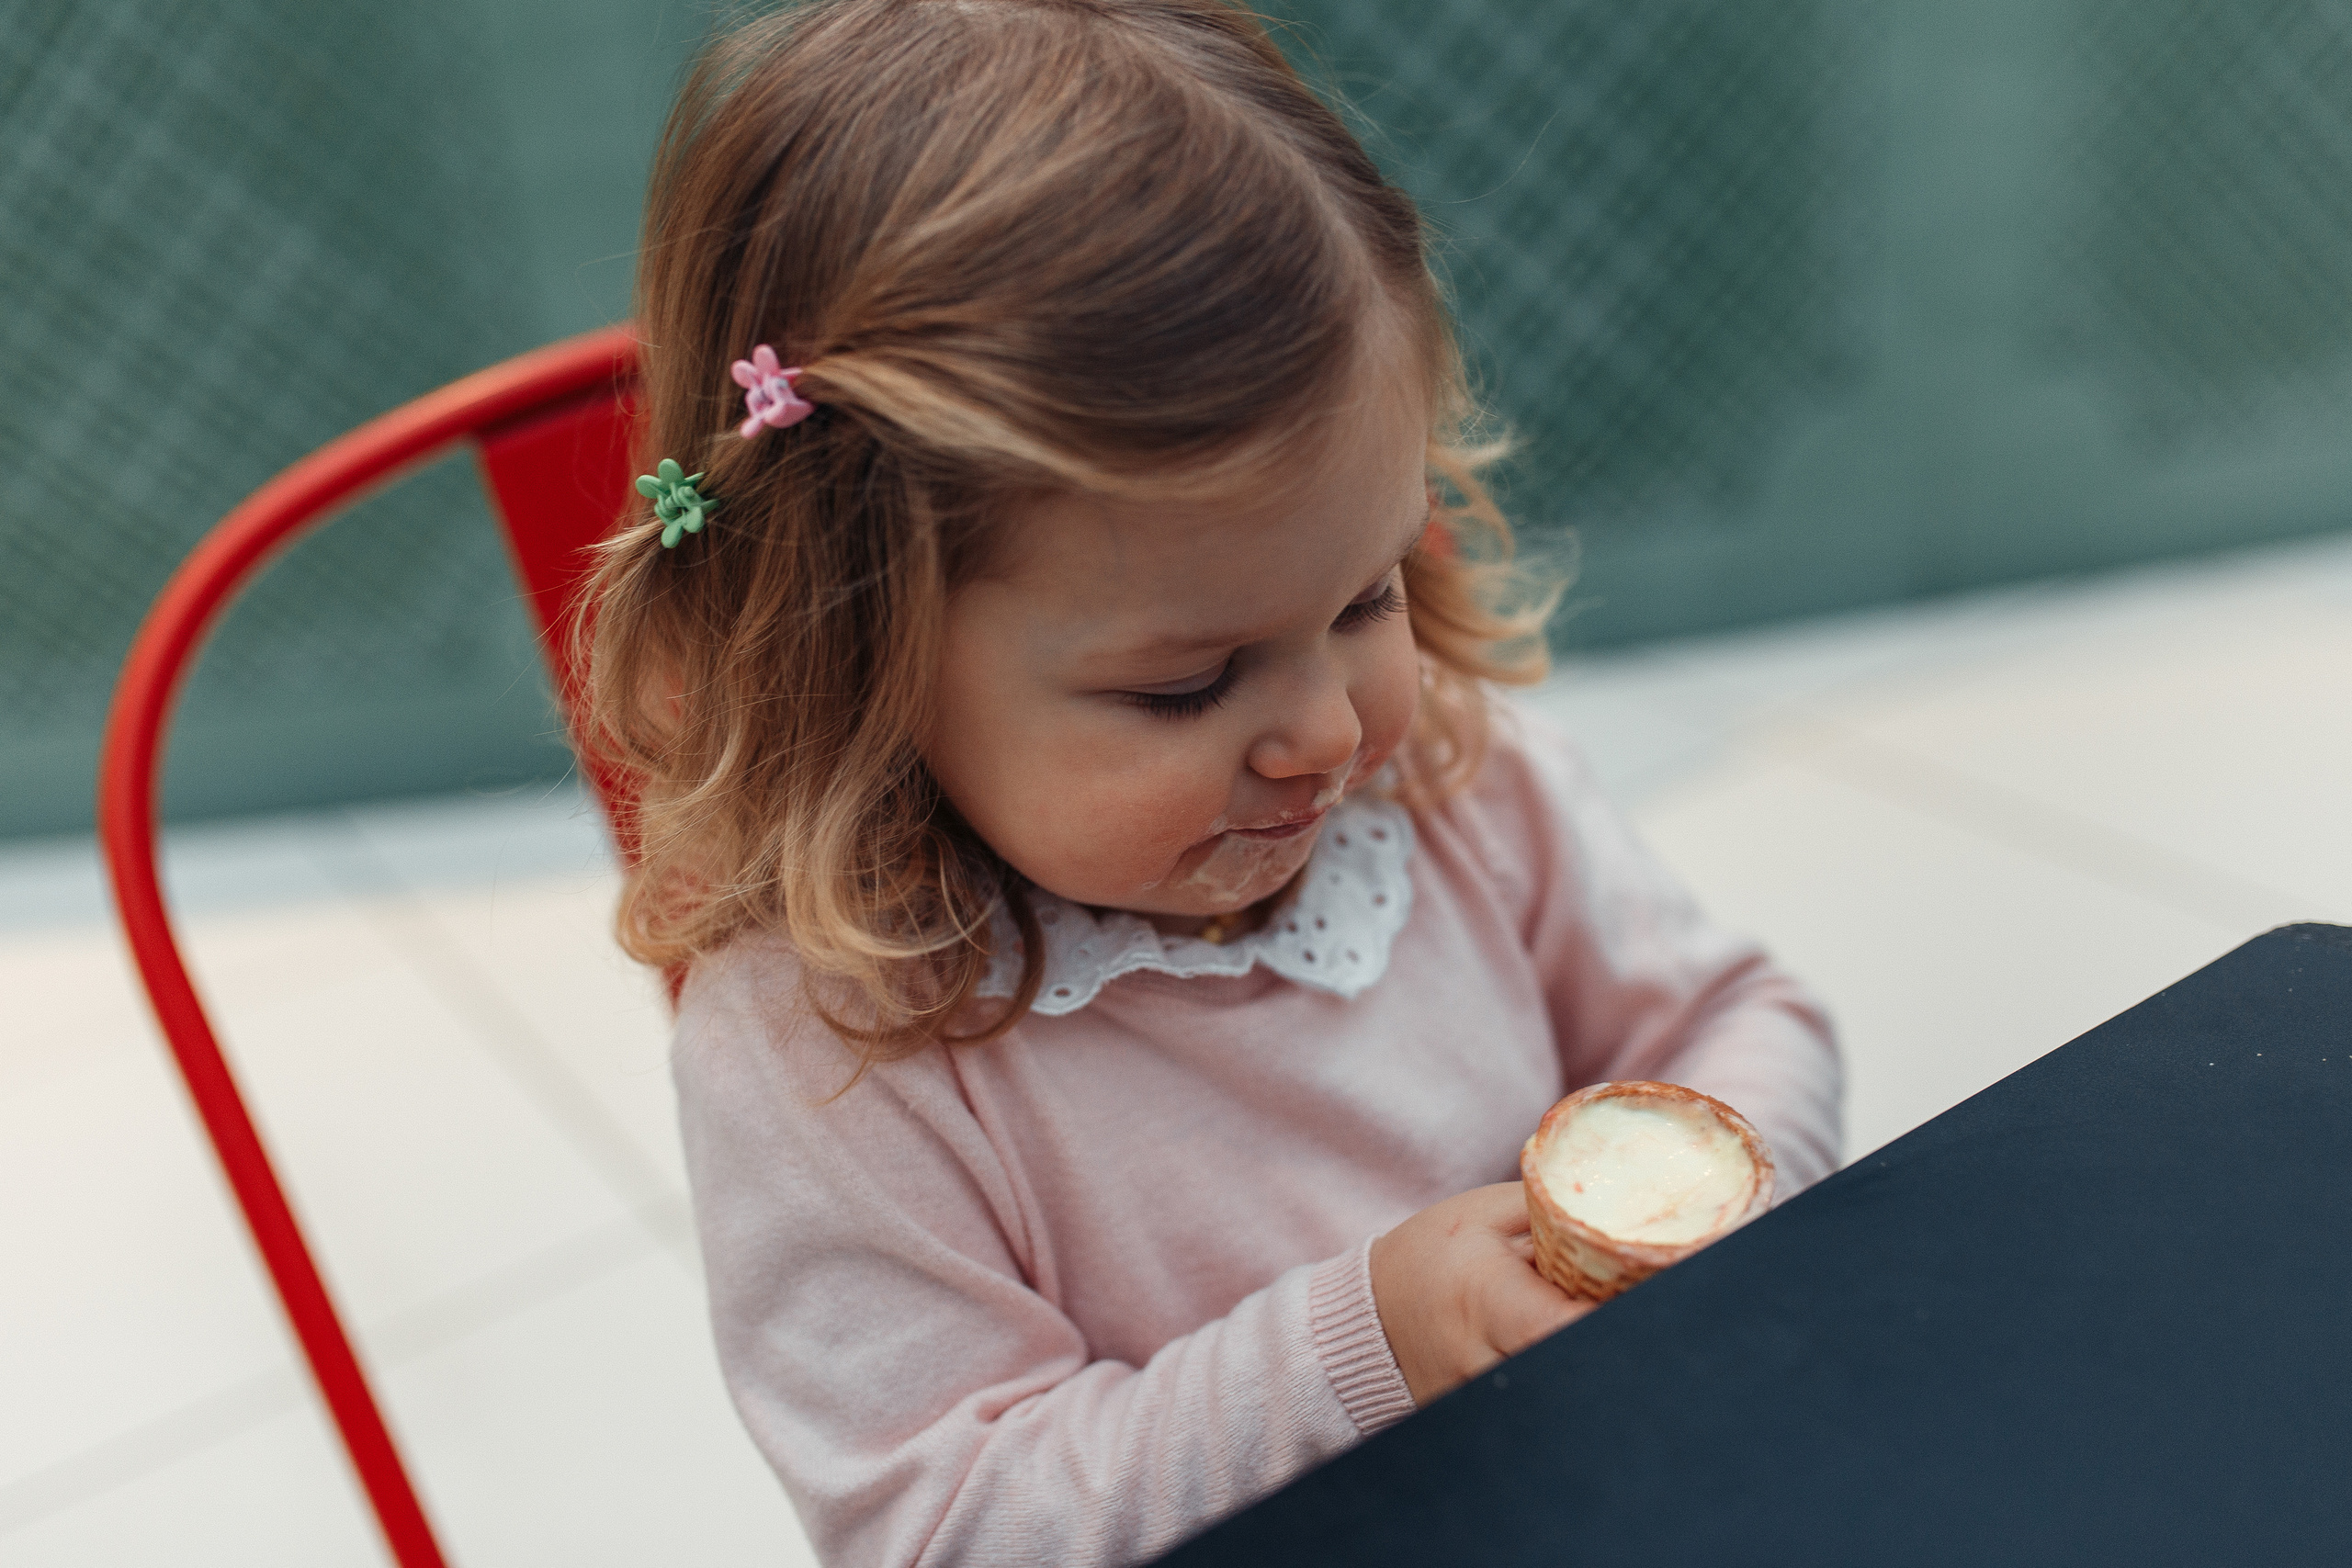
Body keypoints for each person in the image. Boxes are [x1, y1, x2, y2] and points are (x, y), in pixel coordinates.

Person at [577, 2, 1841, 1563]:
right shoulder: (826, 1051)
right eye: (1187, 682)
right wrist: (1375, 1340)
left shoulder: (1448, 777)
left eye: (1366, 595)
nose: (1325, 731)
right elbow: (949, 1524)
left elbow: (1744, 1023)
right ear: (857, 657)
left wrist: (1690, 1219)